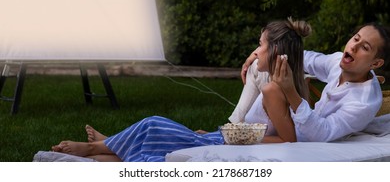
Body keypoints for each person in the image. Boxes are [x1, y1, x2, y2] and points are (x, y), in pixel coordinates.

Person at [51, 18, 311, 162]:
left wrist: (233, 137)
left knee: (153, 125)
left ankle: (96, 148)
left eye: (260, 45)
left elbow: (289, 141)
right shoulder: (276, 86)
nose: (255, 51)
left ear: (276, 52)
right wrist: (218, 132)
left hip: (223, 143)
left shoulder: (273, 90)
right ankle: (105, 144)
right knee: (154, 134)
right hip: (219, 138)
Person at [238, 22, 390, 142]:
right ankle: (235, 125)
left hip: (309, 131)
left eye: (364, 47)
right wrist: (262, 51)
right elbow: (303, 57)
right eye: (356, 38)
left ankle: (236, 131)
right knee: (259, 65)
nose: (354, 46)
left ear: (376, 64)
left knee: (270, 82)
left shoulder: (362, 103)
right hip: (301, 120)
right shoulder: (337, 61)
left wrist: (290, 90)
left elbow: (322, 133)